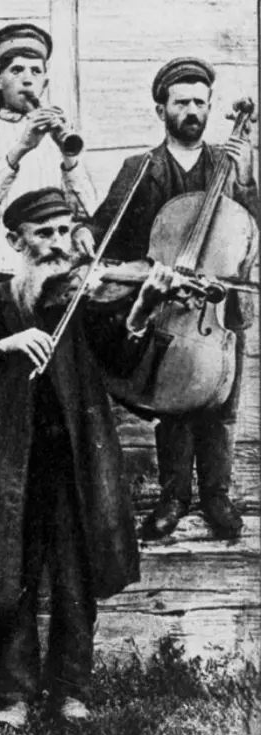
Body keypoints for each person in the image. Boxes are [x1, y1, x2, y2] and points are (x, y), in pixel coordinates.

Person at [0, 187, 179, 727]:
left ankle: (71, 690)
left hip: (77, 456)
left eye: (63, 230)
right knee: (14, 578)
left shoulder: (88, 297)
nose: (58, 244)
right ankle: (15, 694)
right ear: (14, 241)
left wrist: (143, 306)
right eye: (43, 233)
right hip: (14, 460)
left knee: (76, 579)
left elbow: (122, 360)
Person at [92, 57, 259, 540]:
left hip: (220, 308)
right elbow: (107, 235)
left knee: (222, 403)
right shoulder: (140, 168)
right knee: (172, 403)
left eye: (200, 102)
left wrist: (245, 177)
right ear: (160, 108)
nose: (192, 110)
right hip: (167, 305)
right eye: (181, 102)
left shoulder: (228, 165)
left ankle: (216, 497)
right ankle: (173, 497)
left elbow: (252, 231)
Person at [0, 23, 98, 278]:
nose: (27, 78)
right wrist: (22, 148)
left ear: (44, 82)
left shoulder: (59, 136)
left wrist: (69, 157)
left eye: (36, 71)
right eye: (17, 70)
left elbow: (86, 210)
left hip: (51, 273)